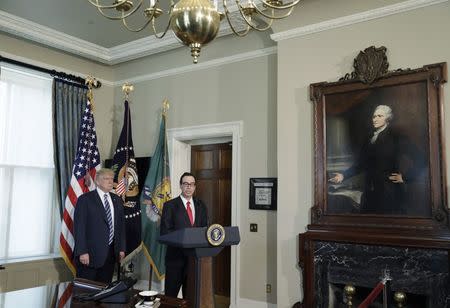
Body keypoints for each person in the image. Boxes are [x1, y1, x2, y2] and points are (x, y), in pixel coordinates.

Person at [329, 105, 422, 215]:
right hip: (370, 191)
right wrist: (343, 175)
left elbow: (420, 159)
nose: (375, 119)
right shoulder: (369, 138)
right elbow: (361, 164)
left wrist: (405, 177)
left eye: (379, 116)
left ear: (387, 119)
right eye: (374, 116)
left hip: (390, 192)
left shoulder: (396, 137)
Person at [160, 172, 208, 298]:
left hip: (194, 261)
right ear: (180, 186)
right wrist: (185, 238)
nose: (189, 187)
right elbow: (165, 232)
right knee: (170, 298)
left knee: (191, 298)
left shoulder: (201, 205)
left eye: (192, 184)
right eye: (186, 184)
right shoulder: (170, 206)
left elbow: (205, 229)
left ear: (195, 187)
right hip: (175, 260)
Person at [73, 168, 126, 283]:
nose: (110, 182)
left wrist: (121, 248)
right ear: (97, 181)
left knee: (104, 292)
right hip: (89, 256)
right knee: (86, 294)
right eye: (106, 179)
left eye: (112, 179)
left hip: (111, 256)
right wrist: (82, 251)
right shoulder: (85, 199)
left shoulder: (117, 200)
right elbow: (79, 227)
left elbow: (120, 227)